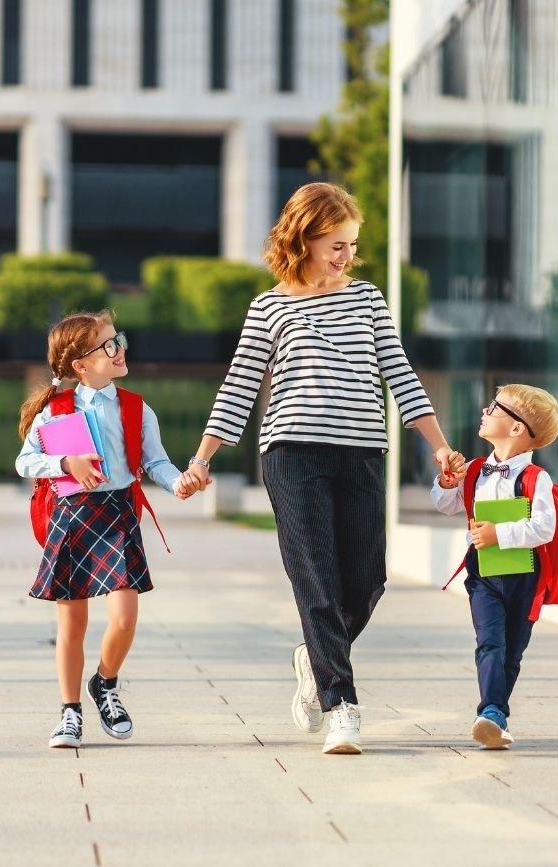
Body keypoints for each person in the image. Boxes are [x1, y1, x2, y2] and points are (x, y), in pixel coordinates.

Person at [178, 182, 464, 755]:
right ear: (305, 239)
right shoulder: (270, 307)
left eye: (352, 245)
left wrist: (438, 445)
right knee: (317, 581)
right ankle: (342, 706)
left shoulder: (368, 300)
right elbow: (239, 388)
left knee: (367, 580)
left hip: (361, 452)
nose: (346, 256)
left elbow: (400, 374)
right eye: (336, 244)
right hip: (291, 454)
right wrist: (202, 460)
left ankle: (313, 657)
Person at [15, 311, 191, 749]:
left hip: (118, 515)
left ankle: (105, 683)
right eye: (109, 344)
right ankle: (69, 713)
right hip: (72, 517)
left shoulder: (135, 407)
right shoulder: (54, 412)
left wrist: (179, 482)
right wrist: (64, 464)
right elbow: (24, 462)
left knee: (125, 620)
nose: (120, 349)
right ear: (80, 365)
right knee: (72, 625)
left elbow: (155, 461)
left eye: (119, 339)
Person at [430, 384, 558, 749]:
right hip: (483, 575)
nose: (485, 410)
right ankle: (490, 712)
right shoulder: (474, 470)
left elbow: (544, 527)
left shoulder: (536, 479)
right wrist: (447, 482)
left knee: (513, 649)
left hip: (524, 577)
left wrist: (498, 534)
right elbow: (446, 504)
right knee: (489, 642)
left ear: (517, 429)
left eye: (495, 407)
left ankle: (496, 715)